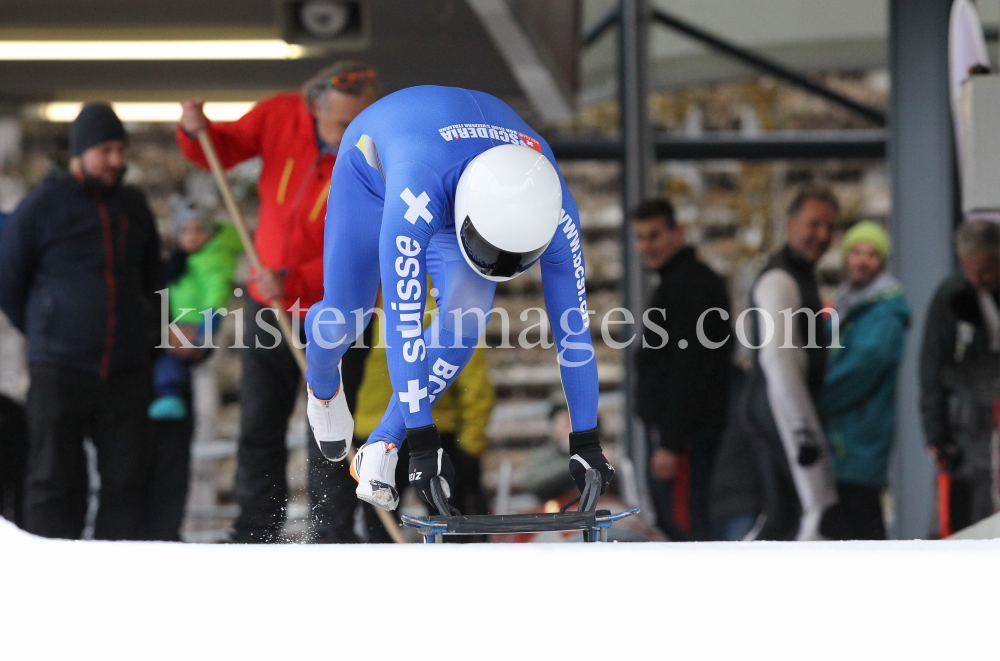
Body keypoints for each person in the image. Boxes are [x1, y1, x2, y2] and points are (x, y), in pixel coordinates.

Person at [304, 86, 614, 514]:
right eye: (491, 255)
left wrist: (586, 440)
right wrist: (423, 439)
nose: (499, 268)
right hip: (381, 170)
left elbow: (574, 333)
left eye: (517, 261)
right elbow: (404, 327)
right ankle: (322, 386)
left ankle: (379, 445)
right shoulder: (415, 194)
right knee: (347, 318)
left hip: (464, 190)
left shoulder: (556, 211)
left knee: (462, 327)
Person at [176, 61, 378, 543]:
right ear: (314, 106)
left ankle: (332, 531)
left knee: (330, 428)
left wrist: (291, 279)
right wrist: (193, 131)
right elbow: (219, 149)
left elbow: (366, 249)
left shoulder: (378, 157)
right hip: (270, 304)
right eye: (343, 124)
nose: (355, 135)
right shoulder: (278, 116)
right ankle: (256, 528)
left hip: (341, 309)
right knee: (259, 419)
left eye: (362, 122)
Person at [0, 103, 161, 540]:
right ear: (79, 152)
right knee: (53, 481)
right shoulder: (38, 207)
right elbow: (9, 283)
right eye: (105, 150)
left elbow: (152, 279)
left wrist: (149, 333)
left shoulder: (133, 206)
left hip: (125, 369)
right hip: (59, 368)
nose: (116, 161)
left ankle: (117, 576)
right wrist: (46, 330)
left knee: (127, 483)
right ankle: (53, 577)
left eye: (120, 150)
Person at [723, 187, 841, 541]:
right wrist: (802, 430)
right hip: (779, 413)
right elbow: (779, 359)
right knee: (810, 514)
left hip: (776, 413)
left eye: (829, 227)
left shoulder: (796, 276)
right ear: (790, 224)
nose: (821, 235)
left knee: (784, 518)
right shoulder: (780, 279)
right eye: (813, 224)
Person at [352, 283, 495, 541]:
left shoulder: (444, 296)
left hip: (437, 434)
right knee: (378, 539)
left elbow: (473, 380)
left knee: (454, 533)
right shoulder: (360, 302)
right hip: (370, 438)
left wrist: (470, 445)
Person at [631, 199, 731, 541]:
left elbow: (691, 370)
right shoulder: (678, 283)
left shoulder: (689, 285)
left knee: (688, 533)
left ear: (677, 234)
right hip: (683, 438)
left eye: (654, 235)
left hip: (687, 442)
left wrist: (671, 443)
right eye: (641, 237)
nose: (647, 246)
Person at [144, 198, 243, 541]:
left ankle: (169, 395)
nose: (191, 236)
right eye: (185, 230)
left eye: (198, 229)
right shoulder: (180, 262)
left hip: (187, 331)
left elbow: (214, 297)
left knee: (170, 369)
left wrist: (201, 333)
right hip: (171, 327)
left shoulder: (212, 260)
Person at [818, 221, 910, 540]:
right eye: (856, 251)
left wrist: (812, 398)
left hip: (856, 449)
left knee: (860, 537)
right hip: (838, 446)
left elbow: (857, 371)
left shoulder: (882, 315)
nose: (862, 260)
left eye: (872, 254)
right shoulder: (845, 306)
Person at [921, 219, 1000, 534]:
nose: (977, 278)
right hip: (965, 427)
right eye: (970, 269)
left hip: (992, 419)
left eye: (986, 270)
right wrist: (935, 432)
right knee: (959, 515)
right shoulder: (952, 297)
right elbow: (931, 366)